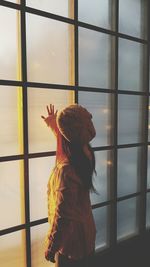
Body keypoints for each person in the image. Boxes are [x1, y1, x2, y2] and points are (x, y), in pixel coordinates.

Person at [41, 103, 98, 267]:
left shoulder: (67, 170)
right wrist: (54, 123)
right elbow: (70, 137)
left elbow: (63, 215)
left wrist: (52, 247)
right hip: (85, 234)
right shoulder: (85, 151)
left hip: (71, 244)